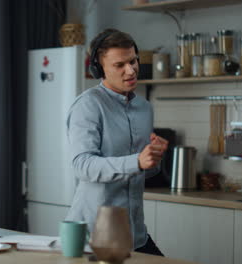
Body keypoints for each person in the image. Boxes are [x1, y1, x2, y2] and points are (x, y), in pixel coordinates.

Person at [66, 28, 168, 256]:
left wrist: (154, 160)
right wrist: (137, 162)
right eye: (119, 65)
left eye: (133, 61)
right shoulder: (88, 105)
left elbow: (141, 171)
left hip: (135, 234)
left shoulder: (145, 108)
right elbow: (82, 165)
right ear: (99, 69)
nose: (130, 70)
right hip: (96, 236)